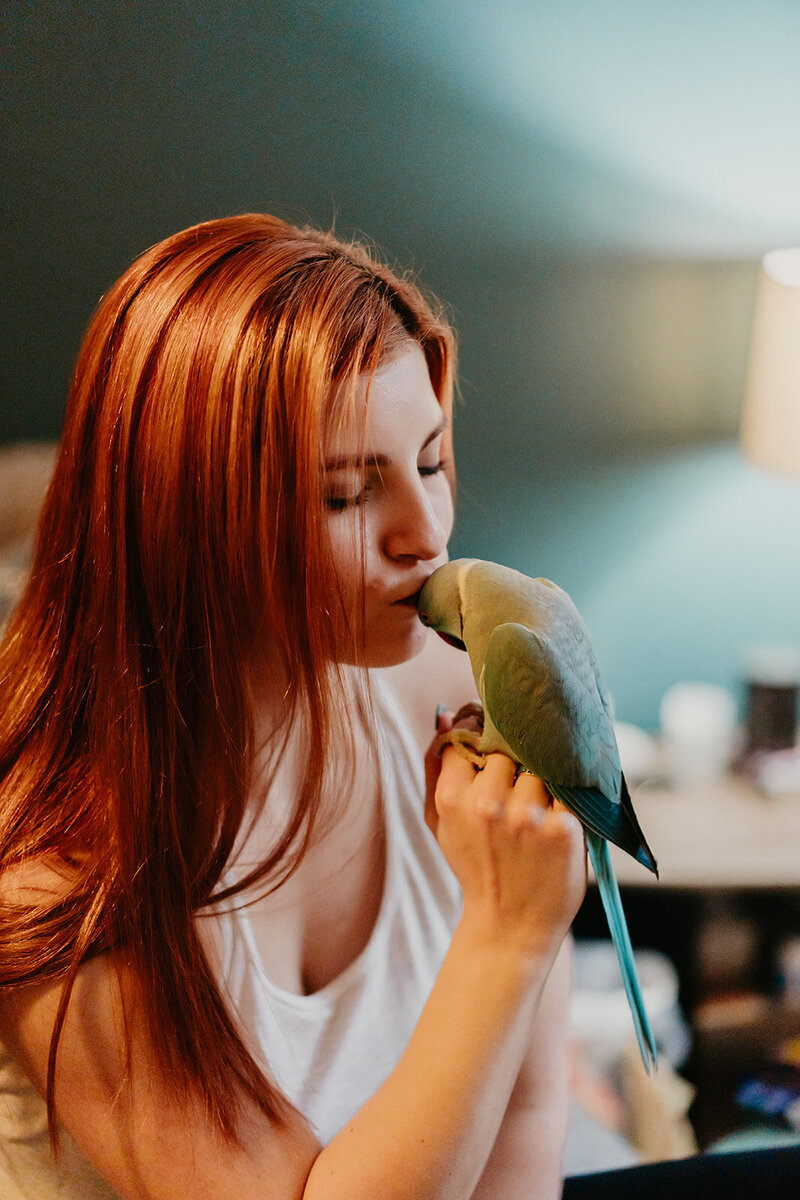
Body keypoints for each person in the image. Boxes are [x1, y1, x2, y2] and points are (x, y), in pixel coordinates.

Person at [0, 213, 587, 1199]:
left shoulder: (452, 700)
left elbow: (524, 1129)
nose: (425, 532)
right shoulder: (55, 895)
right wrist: (505, 936)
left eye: (430, 461)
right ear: (189, 517)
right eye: (344, 496)